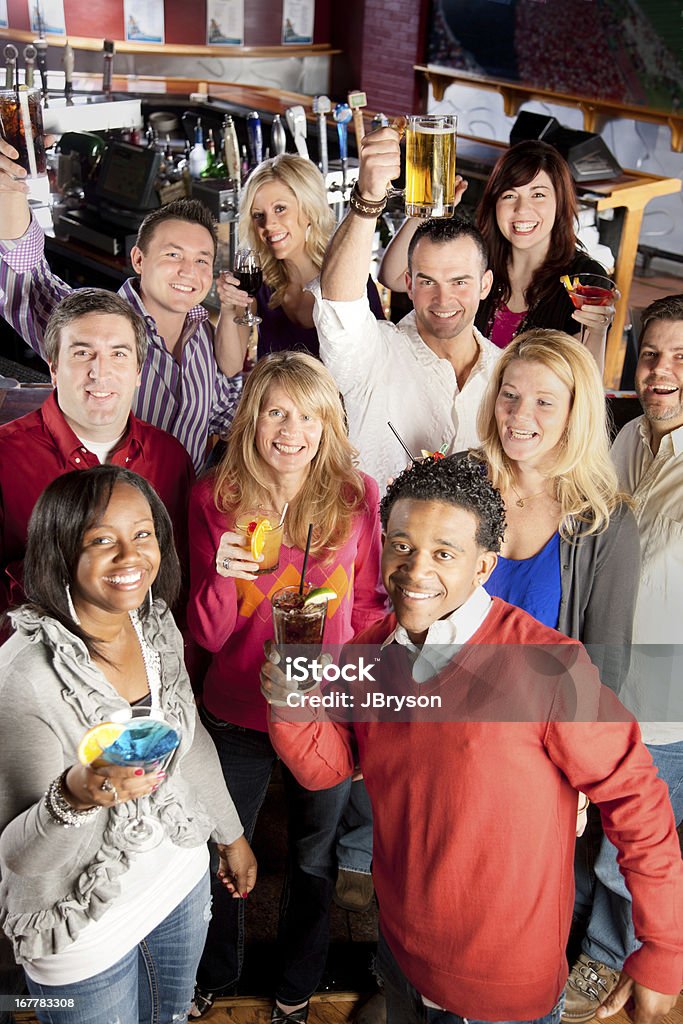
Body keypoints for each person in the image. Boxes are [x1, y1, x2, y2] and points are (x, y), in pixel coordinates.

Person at [261, 455, 683, 1024]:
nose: (415, 571)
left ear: (483, 566)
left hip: (504, 986)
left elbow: (638, 797)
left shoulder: (547, 667)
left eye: (444, 553)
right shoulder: (368, 650)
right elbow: (328, 768)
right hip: (399, 951)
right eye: (402, 545)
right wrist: (292, 703)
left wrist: (663, 948)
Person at [0, 465, 256, 1024]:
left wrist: (230, 835)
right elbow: (16, 858)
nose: (130, 556)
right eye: (100, 540)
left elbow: (186, 743)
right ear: (61, 550)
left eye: (142, 534)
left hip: (178, 885)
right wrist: (76, 795)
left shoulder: (154, 624)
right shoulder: (26, 677)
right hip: (86, 926)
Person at [187, 351, 386, 1020]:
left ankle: (296, 988)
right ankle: (216, 975)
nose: (290, 430)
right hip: (236, 711)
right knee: (222, 854)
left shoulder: (358, 494)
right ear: (251, 420)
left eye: (306, 415)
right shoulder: (214, 497)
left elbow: (364, 609)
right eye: (275, 412)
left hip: (321, 713)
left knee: (313, 859)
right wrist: (219, 573)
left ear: (328, 423)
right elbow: (210, 637)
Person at [564, 294, 683, 1023]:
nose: (660, 370)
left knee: (631, 850)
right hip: (601, 686)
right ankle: (580, 946)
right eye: (651, 355)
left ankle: (609, 960)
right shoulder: (629, 434)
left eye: (680, 359)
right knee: (591, 838)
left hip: (668, 703)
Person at [0, 140, 244, 471]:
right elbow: (29, 277)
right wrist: (11, 192)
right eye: (173, 255)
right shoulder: (92, 321)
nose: (189, 271)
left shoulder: (203, 334)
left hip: (182, 513)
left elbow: (220, 413)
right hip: (106, 512)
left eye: (202, 260)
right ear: (139, 259)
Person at [313, 126, 501, 489]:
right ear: (410, 285)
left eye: (459, 282)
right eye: (428, 281)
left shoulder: (506, 371)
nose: (443, 300)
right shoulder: (376, 354)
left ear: (485, 285)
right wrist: (368, 196)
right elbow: (339, 300)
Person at [0, 288, 195, 619]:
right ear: (53, 368)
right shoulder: (5, 456)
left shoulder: (170, 457)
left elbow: (178, 580)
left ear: (137, 373)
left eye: (118, 354)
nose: (99, 373)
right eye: (82, 354)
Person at [476, 328, 639, 692]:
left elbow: (606, 670)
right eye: (510, 395)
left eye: (544, 402)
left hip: (534, 734)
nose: (519, 414)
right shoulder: (459, 479)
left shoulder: (608, 523)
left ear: (574, 414)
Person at [378, 140, 614, 370]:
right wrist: (428, 208)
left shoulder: (584, 280)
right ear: (494, 203)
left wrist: (598, 331)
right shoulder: (479, 253)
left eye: (538, 195)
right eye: (509, 196)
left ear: (560, 202)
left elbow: (584, 381)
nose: (522, 209)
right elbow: (393, 276)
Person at [216, 154, 384, 361]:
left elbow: (377, 366)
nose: (268, 224)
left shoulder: (349, 279)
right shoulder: (258, 282)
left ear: (308, 210)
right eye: (258, 215)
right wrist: (228, 306)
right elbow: (229, 365)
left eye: (280, 209)